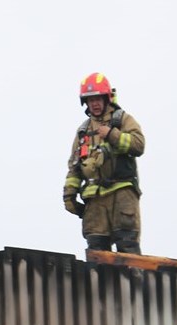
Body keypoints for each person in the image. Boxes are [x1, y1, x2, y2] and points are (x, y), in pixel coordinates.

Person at [62, 72, 145, 255]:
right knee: (97, 252)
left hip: (122, 194)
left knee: (127, 248)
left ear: (107, 98)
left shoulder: (122, 120)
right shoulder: (83, 131)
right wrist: (69, 195)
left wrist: (112, 135)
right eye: (90, 100)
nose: (95, 104)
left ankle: (132, 284)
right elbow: (74, 167)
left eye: (98, 98)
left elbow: (139, 145)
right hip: (95, 201)